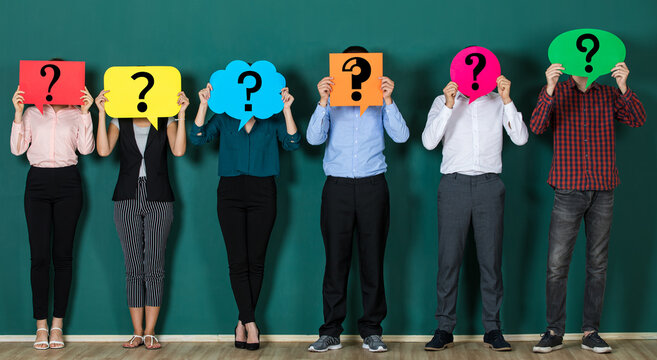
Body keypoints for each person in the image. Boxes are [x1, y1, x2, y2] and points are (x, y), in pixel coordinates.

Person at [530, 62, 645, 354]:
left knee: (598, 264)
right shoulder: (556, 92)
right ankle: (554, 331)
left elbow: (637, 120)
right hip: (568, 188)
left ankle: (591, 331)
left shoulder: (607, 94)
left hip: (603, 188)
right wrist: (550, 88)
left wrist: (623, 87)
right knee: (557, 264)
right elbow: (537, 126)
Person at [306, 46, 410, 353]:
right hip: (336, 187)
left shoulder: (380, 102)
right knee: (335, 261)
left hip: (373, 186)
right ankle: (330, 332)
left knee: (372, 260)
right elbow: (313, 138)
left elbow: (402, 136)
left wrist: (389, 99)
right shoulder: (332, 104)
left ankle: (372, 331)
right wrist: (323, 101)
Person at [421, 71, 528, 352]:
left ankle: (493, 328)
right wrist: (447, 105)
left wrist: (507, 100)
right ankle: (444, 328)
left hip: (489, 185)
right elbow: (429, 142)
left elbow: (520, 138)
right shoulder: (443, 101)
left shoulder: (497, 101)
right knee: (448, 259)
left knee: (490, 260)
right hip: (453, 184)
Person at [190, 83, 300, 351]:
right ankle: (251, 323)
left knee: (257, 261)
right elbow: (197, 137)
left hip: (264, 192)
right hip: (230, 192)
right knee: (237, 261)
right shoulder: (226, 117)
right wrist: (203, 104)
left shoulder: (272, 119)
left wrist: (286, 110)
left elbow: (293, 143)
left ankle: (242, 322)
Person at [95, 89, 189, 350]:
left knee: (155, 266)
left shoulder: (165, 120)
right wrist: (102, 112)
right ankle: (136, 331)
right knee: (133, 266)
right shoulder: (119, 121)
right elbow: (103, 150)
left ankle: (150, 331)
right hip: (126, 196)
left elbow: (179, 150)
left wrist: (180, 114)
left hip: (159, 197)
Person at [11, 82, 95, 350]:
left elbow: (87, 149)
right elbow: (16, 149)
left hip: (69, 182)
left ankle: (57, 326)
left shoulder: (76, 112)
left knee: (63, 256)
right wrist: (18, 112)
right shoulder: (33, 112)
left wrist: (85, 112)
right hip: (37, 181)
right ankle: (41, 326)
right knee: (39, 257)